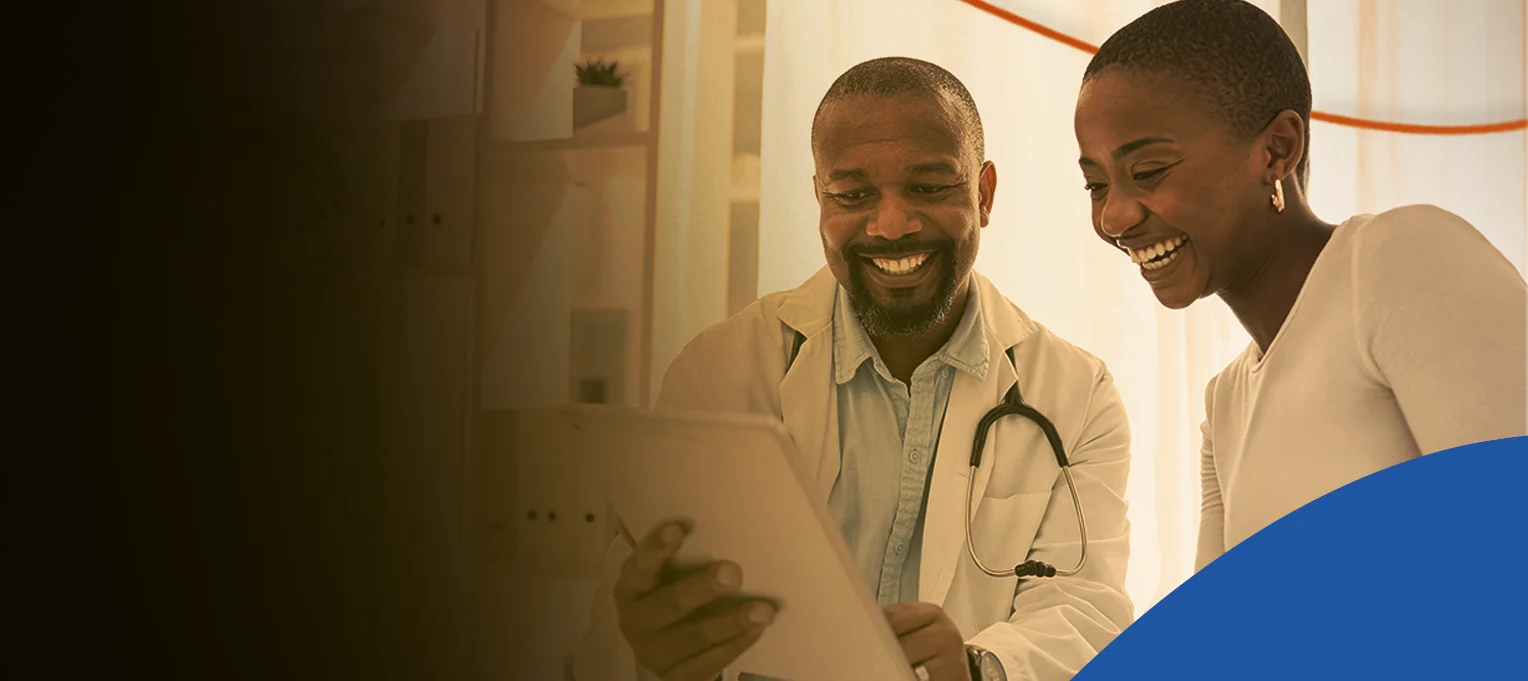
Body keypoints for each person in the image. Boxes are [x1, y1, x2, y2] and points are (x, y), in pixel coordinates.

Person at [572, 57, 1135, 681]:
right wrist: (645, 647)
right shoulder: (719, 373)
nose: (891, 224)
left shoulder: (1077, 394)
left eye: (929, 186)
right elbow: (622, 616)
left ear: (983, 194)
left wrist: (978, 669)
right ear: (819, 197)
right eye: (852, 194)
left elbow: (1084, 607)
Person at [1071, 0, 1528, 572]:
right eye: (1094, 185)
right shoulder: (1226, 404)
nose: (1114, 217)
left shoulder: (1398, 260)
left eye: (1148, 171)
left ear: (1277, 150)